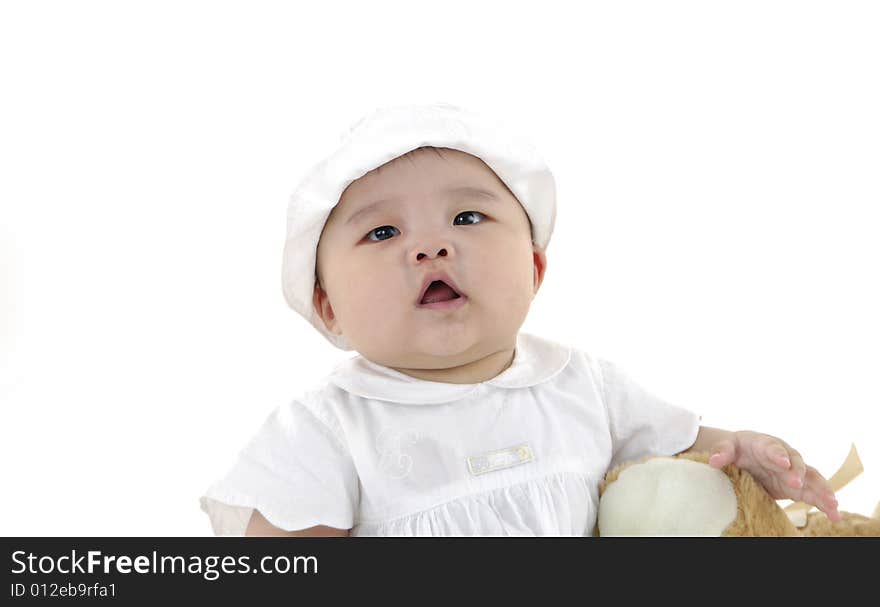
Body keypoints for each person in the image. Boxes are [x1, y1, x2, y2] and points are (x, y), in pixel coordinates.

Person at [199, 103, 840, 536]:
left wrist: (746, 453)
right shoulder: (328, 427)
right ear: (328, 305)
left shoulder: (583, 385)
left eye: (467, 218)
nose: (430, 247)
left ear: (534, 268)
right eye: (383, 231)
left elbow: (682, 456)